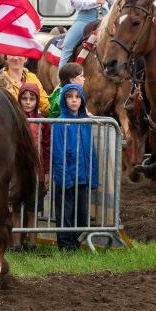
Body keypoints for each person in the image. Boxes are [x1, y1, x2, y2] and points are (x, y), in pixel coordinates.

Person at [51, 84, 98, 251]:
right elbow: (58, 152)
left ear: (82, 100)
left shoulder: (86, 122)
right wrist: (64, 177)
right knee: (66, 213)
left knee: (82, 214)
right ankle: (65, 245)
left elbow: (91, 152)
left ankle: (75, 243)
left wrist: (92, 176)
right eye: (70, 97)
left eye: (77, 97)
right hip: (67, 177)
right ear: (64, 100)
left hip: (83, 177)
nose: (74, 100)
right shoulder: (60, 122)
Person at [13, 82, 50, 251]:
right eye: (24, 98)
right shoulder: (14, 119)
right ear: (19, 99)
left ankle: (33, 244)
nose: (28, 102)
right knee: (16, 211)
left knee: (32, 211)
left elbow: (47, 148)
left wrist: (46, 173)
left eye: (32, 99)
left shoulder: (43, 122)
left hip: (36, 173)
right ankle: (16, 245)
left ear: (37, 100)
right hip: (16, 172)